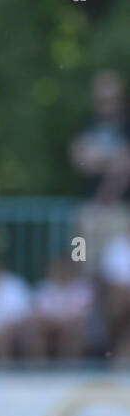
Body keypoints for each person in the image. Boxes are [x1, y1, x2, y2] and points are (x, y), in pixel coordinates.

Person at [70, 71, 130, 268]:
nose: (106, 103)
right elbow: (80, 161)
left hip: (121, 209)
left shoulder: (126, 125)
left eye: (110, 99)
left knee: (117, 268)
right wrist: (112, 161)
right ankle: (83, 290)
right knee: (80, 256)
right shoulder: (85, 123)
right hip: (89, 208)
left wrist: (96, 159)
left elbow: (125, 165)